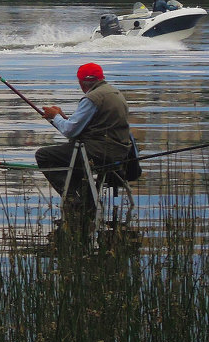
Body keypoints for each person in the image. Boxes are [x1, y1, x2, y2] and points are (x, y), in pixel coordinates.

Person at [36, 62, 135, 238]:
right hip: (118, 152)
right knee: (70, 155)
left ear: (82, 82)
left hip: (97, 152)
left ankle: (75, 198)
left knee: (44, 155)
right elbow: (84, 127)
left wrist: (55, 117)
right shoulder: (115, 93)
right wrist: (62, 117)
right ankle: (86, 198)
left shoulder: (92, 98)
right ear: (101, 77)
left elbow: (70, 130)